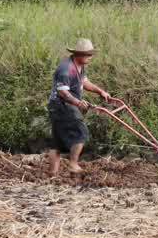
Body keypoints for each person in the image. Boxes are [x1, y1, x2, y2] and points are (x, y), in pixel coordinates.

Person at [46, 38, 118, 176]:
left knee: (57, 142)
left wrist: (100, 91)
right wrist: (78, 103)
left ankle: (52, 174)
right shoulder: (66, 69)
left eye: (91, 54)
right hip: (62, 105)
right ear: (79, 54)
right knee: (81, 133)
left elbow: (84, 82)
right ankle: (73, 164)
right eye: (88, 54)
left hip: (61, 105)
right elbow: (62, 92)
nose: (91, 57)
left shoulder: (79, 65)